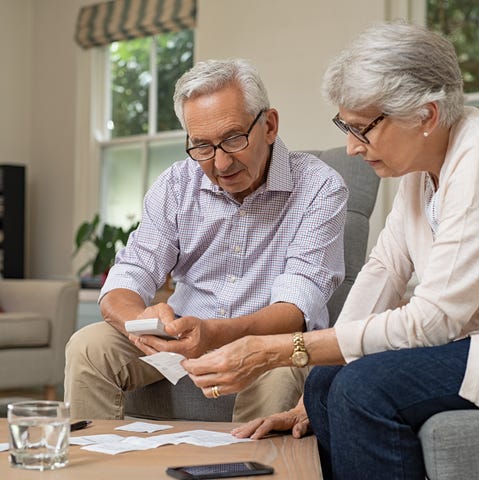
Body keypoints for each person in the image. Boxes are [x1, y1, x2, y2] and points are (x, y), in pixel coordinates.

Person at [182, 22, 479, 479]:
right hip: (462, 343)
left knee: (363, 389)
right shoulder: (421, 173)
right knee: (324, 382)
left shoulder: (474, 159)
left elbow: (434, 319)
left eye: (362, 129)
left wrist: (279, 350)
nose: (350, 147)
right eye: (346, 126)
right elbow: (383, 269)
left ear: (427, 115)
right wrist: (308, 387)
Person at [64, 58, 348, 422]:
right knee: (89, 347)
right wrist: (142, 322)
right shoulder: (176, 184)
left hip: (268, 344)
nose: (220, 163)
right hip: (180, 338)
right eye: (201, 146)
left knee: (281, 368)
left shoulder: (320, 187)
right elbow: (131, 272)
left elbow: (295, 309)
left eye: (233, 139)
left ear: (270, 125)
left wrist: (213, 335)